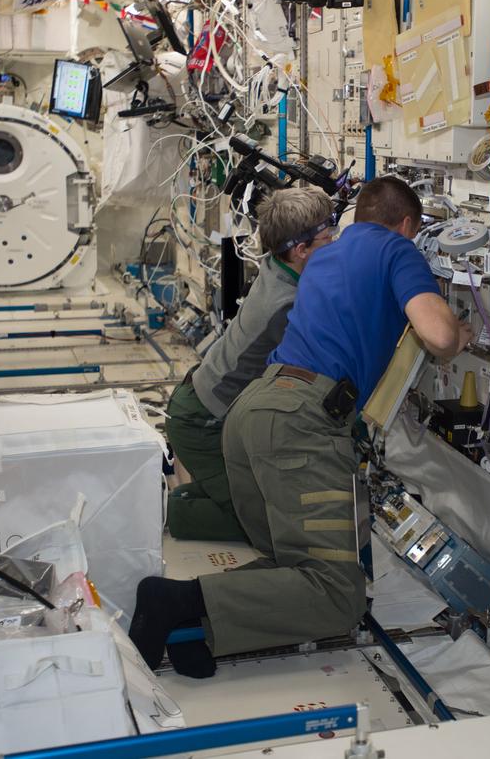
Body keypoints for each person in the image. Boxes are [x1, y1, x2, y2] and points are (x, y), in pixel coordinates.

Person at [131, 176, 472, 677]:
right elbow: (438, 334)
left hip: (253, 413)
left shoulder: (323, 258)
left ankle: (196, 630)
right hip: (300, 424)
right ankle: (172, 600)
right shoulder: (397, 250)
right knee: (337, 594)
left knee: (292, 565)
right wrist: (462, 335)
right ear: (406, 225)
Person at [165, 185, 337, 542]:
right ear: (301, 250)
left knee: (253, 498)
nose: (336, 245)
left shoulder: (276, 264)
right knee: (267, 528)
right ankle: (170, 513)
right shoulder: (286, 305)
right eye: (328, 238)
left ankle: (194, 494)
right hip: (201, 422)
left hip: (201, 399)